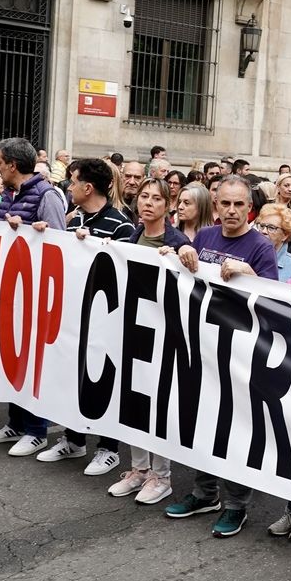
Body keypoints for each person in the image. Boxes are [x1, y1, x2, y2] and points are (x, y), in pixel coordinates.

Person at [164, 177, 279, 537]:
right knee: (204, 423)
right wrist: (181, 255)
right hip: (206, 346)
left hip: (242, 353)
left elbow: (276, 304)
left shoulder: (261, 247)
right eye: (225, 204)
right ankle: (205, 493)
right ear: (216, 207)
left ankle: (235, 506)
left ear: (250, 209)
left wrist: (252, 276)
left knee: (236, 430)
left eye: (238, 205)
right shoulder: (207, 237)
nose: (231, 211)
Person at [32, 158, 138, 471]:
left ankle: (108, 448)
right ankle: (74, 440)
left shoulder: (121, 225)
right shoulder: (73, 219)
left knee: (104, 381)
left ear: (87, 187)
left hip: (106, 320)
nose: (69, 187)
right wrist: (46, 235)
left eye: (73, 181)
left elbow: (125, 275)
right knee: (73, 377)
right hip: (75, 316)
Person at [0, 139, 68, 457]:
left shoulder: (48, 195)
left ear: (12, 165)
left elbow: (59, 245)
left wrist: (28, 228)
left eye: (0, 162)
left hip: (37, 295)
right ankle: (16, 422)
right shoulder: (9, 196)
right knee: (13, 358)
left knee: (32, 363)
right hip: (12, 291)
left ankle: (37, 430)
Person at [105, 177, 192, 506]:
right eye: (144, 196)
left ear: (168, 205)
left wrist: (184, 253)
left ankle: (162, 476)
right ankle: (138, 469)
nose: (149, 203)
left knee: (158, 406)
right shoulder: (132, 236)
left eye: (157, 198)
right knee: (134, 403)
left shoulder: (177, 241)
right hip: (134, 330)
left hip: (163, 334)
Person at [256, 201, 291, 281]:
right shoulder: (250, 254)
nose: (264, 231)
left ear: (285, 235)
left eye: (271, 228)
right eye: (262, 226)